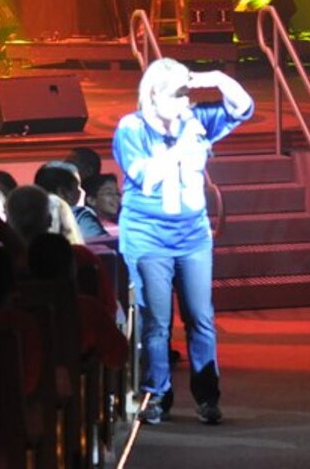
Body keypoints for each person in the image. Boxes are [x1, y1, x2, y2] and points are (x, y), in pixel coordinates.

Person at [112, 58, 253, 426]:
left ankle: (208, 397)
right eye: (177, 95)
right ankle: (156, 396)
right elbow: (146, 177)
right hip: (148, 236)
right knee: (156, 322)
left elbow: (243, 108)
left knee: (201, 318)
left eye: (187, 93)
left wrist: (218, 77)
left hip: (192, 237)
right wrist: (181, 147)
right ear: (154, 94)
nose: (185, 102)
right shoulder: (132, 128)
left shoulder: (195, 121)